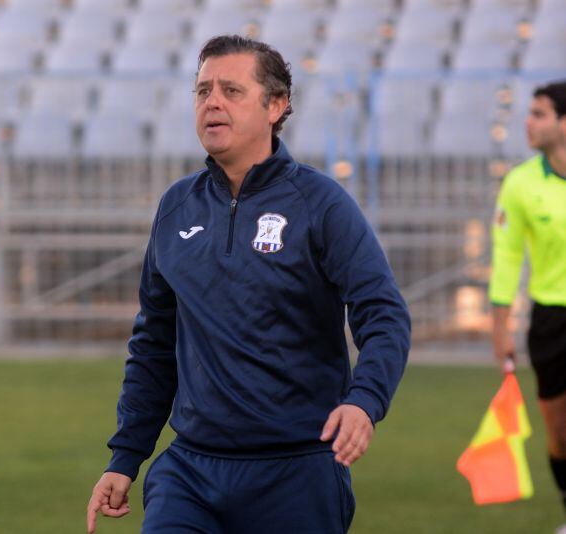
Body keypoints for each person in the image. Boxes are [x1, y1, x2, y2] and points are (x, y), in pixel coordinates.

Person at [86, 35, 411, 534]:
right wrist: (125, 456)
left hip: (297, 470)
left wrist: (364, 401)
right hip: (191, 471)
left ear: (275, 106)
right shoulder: (176, 208)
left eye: (231, 90)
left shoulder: (320, 203)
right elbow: (153, 342)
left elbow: (383, 313)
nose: (212, 102)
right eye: (202, 91)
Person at [489, 80, 566, 534]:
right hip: (551, 321)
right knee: (559, 435)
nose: (528, 122)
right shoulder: (520, 183)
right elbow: (506, 259)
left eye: (538, 113)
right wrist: (501, 328)